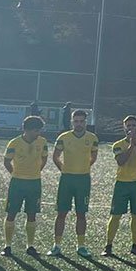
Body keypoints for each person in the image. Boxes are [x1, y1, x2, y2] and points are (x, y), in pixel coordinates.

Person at [50, 109, 99, 257]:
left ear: (86, 122)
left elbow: (93, 156)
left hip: (83, 180)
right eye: (76, 121)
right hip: (67, 179)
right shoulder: (63, 137)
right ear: (72, 122)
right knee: (61, 213)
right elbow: (56, 156)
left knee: (81, 213)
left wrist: (84, 168)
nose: (79, 124)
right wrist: (63, 169)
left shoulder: (92, 138)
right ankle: (56, 245)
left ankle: (81, 246)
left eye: (81, 121)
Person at [2, 115, 49, 256]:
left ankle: (30, 246)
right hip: (17, 183)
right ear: (26, 130)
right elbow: (6, 161)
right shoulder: (14, 143)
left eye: (39, 130)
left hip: (35, 183)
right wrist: (15, 173)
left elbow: (44, 158)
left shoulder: (42, 142)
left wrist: (36, 171)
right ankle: (7, 246)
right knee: (11, 214)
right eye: (35, 130)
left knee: (32, 214)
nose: (38, 133)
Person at [104, 115, 136, 256]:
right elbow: (121, 161)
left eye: (133, 125)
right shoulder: (118, 145)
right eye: (128, 126)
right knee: (116, 215)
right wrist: (131, 145)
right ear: (124, 128)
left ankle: (135, 245)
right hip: (122, 184)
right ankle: (108, 245)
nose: (131, 128)